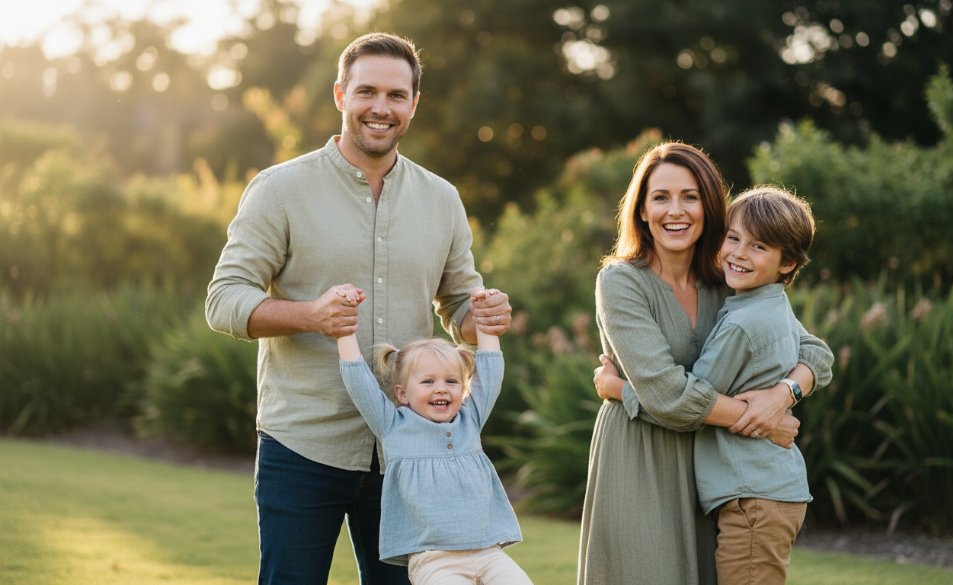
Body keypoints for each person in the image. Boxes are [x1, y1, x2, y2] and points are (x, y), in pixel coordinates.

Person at [205, 32, 511, 585]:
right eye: (367, 91)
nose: (381, 108)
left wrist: (482, 316)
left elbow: (459, 304)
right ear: (340, 94)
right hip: (303, 444)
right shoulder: (279, 189)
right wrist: (310, 316)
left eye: (396, 95)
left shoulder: (441, 199)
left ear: (414, 104)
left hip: (408, 455)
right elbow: (224, 298)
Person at [579, 142, 833, 585]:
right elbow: (667, 395)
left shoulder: (729, 278)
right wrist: (761, 421)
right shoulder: (620, 282)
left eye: (690, 197)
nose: (675, 211)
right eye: (661, 197)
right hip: (641, 459)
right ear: (642, 210)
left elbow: (815, 352)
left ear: (709, 207)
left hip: (714, 472)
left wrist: (783, 395)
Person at [335, 286, 533, 585]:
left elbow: (491, 372)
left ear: (463, 388)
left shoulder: (469, 420)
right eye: (428, 382)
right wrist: (344, 332)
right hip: (434, 559)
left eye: (451, 381)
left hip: (488, 552)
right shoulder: (393, 426)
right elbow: (359, 382)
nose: (441, 389)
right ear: (402, 393)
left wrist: (486, 323)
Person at [684, 185, 822, 584]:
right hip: (764, 493)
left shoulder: (744, 323)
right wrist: (784, 394)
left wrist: (618, 388)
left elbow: (690, 398)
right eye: (733, 238)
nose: (739, 253)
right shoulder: (769, 303)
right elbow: (820, 355)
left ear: (788, 262)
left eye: (758, 246)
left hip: (756, 498)